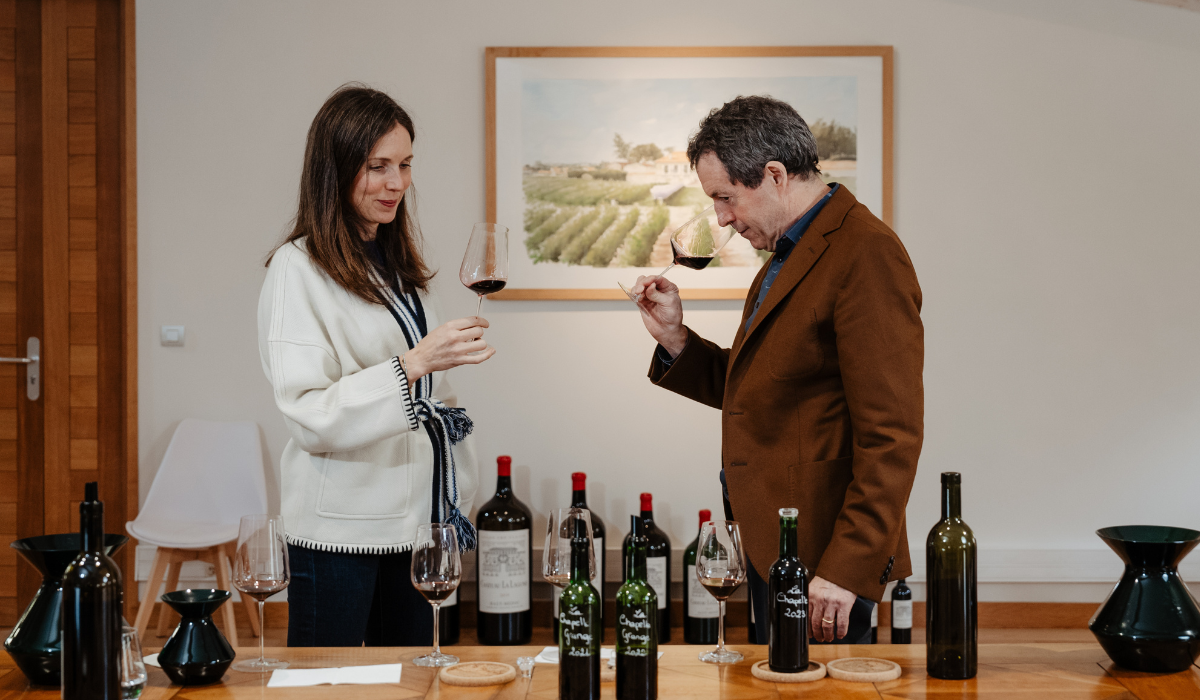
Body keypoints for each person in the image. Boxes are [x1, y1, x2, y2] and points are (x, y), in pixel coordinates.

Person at [631, 96, 923, 645]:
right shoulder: (791, 252)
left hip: (824, 558)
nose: (719, 217)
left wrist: (846, 567)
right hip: (776, 543)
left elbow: (893, 435)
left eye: (725, 197)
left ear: (774, 174)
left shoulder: (866, 252)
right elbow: (760, 389)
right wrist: (674, 338)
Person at [258, 85, 493, 647]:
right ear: (336, 169)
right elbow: (308, 414)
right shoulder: (297, 270)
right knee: (329, 688)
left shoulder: (397, 265)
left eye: (406, 164)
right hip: (340, 533)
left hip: (416, 525)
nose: (397, 183)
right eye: (378, 166)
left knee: (415, 682)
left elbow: (436, 396)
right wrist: (412, 364)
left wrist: (459, 485)